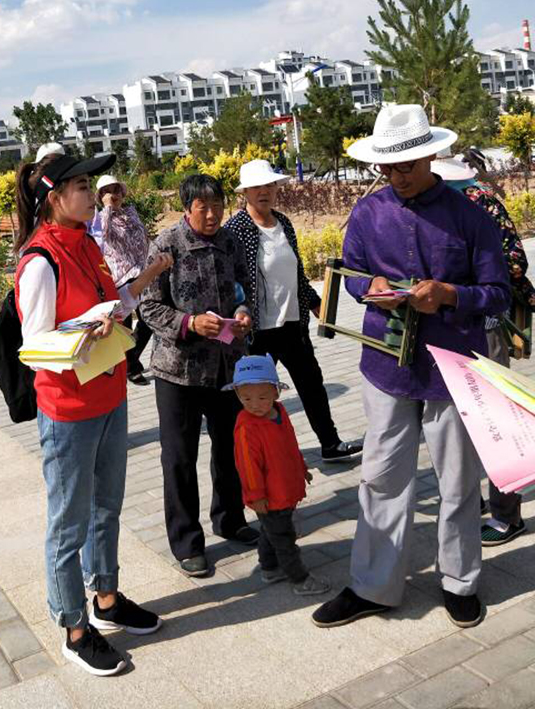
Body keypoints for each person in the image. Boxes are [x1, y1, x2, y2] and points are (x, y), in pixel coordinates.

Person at [312, 104, 510, 630]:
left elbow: (497, 293)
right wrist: (369, 287)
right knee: (380, 477)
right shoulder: (368, 212)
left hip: (453, 367)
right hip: (386, 364)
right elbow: (352, 273)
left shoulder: (471, 216)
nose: (395, 177)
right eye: (387, 168)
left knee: (458, 482)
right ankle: (373, 586)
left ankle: (460, 581)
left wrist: (448, 294)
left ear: (430, 157)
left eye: (405, 167)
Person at [14, 151, 171, 677]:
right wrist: (87, 325)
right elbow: (35, 344)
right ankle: (74, 628)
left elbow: (114, 303)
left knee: (107, 508)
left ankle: (106, 599)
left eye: (88, 183)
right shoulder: (41, 260)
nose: (90, 193)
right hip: (68, 410)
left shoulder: (86, 242)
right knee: (69, 523)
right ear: (54, 198)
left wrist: (145, 279)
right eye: (81, 186)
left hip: (109, 395)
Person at [139, 173, 258, 579]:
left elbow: (244, 288)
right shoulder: (166, 245)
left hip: (226, 366)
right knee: (179, 457)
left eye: (217, 205)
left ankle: (230, 519)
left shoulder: (230, 240)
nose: (211, 214)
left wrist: (242, 314)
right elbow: (148, 307)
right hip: (179, 371)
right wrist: (189, 323)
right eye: (202, 207)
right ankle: (187, 541)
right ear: (186, 208)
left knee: (229, 448)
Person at [225, 159, 363, 463]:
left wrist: (314, 302)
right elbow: (231, 280)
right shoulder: (235, 229)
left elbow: (297, 274)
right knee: (256, 394)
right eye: (256, 187)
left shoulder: (283, 223)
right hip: (257, 331)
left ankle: (330, 444)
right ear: (245, 192)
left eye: (269, 185)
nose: (264, 191)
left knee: (312, 384)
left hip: (292, 324)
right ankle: (251, 456)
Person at [432, 150, 532, 546]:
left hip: (483, 327)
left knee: (494, 423)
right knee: (460, 423)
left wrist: (469, 287)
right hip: (444, 332)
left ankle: (508, 515)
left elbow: (514, 261)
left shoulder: (477, 201)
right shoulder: (428, 204)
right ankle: (470, 500)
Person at [227, 354, 331, 595]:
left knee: (270, 531)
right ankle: (299, 579)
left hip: (286, 486)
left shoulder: (280, 412)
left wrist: (302, 468)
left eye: (262, 397)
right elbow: (247, 466)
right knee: (284, 538)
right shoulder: (246, 427)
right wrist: (256, 496)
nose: (255, 404)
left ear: (276, 392)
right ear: (237, 395)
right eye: (246, 398)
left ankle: (270, 568)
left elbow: (290, 445)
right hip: (269, 495)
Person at [89, 174, 154, 385]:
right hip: (120, 279)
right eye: (107, 191)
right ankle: (131, 368)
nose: (113, 194)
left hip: (141, 273)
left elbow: (143, 237)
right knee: (123, 327)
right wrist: (108, 207)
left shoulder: (130, 213)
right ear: (100, 196)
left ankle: (131, 360)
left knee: (148, 320)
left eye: (116, 190)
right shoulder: (100, 218)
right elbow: (102, 234)